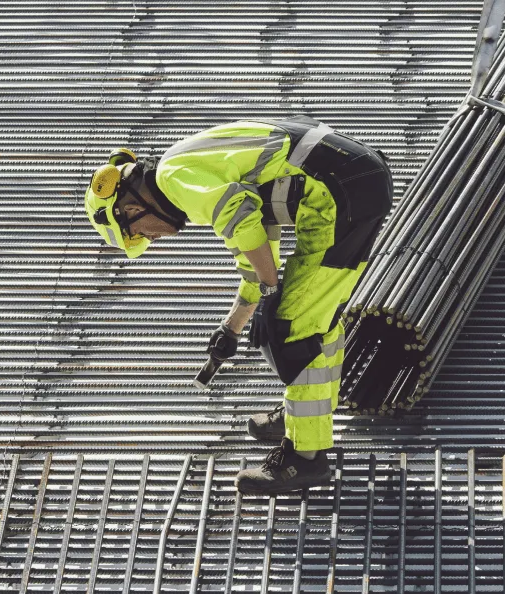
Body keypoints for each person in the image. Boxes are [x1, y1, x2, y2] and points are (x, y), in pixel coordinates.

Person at [83, 116, 393, 495]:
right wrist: (232, 327)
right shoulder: (187, 168)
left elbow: (243, 224)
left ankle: (305, 460)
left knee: (293, 328)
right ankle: (303, 419)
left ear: (130, 209)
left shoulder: (174, 180)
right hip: (350, 184)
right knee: (314, 318)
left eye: (140, 233)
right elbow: (257, 246)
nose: (152, 238)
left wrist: (270, 293)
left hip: (340, 192)